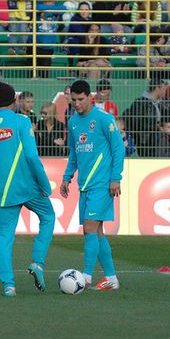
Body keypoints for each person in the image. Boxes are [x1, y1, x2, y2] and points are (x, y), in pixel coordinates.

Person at [0, 82, 55, 297]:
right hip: (28, 186)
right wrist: (44, 184)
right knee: (48, 217)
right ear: (15, 100)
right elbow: (31, 156)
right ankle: (37, 263)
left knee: (3, 237)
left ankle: (9, 286)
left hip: (3, 192)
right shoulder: (22, 121)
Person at [60, 80, 124, 290]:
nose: (77, 103)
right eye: (74, 100)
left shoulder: (104, 119)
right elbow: (74, 153)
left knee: (89, 228)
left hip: (103, 184)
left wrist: (116, 178)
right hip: (85, 185)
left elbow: (118, 149)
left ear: (90, 97)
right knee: (97, 232)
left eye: (81, 99)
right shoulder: (73, 122)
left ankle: (85, 278)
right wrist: (67, 177)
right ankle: (111, 278)